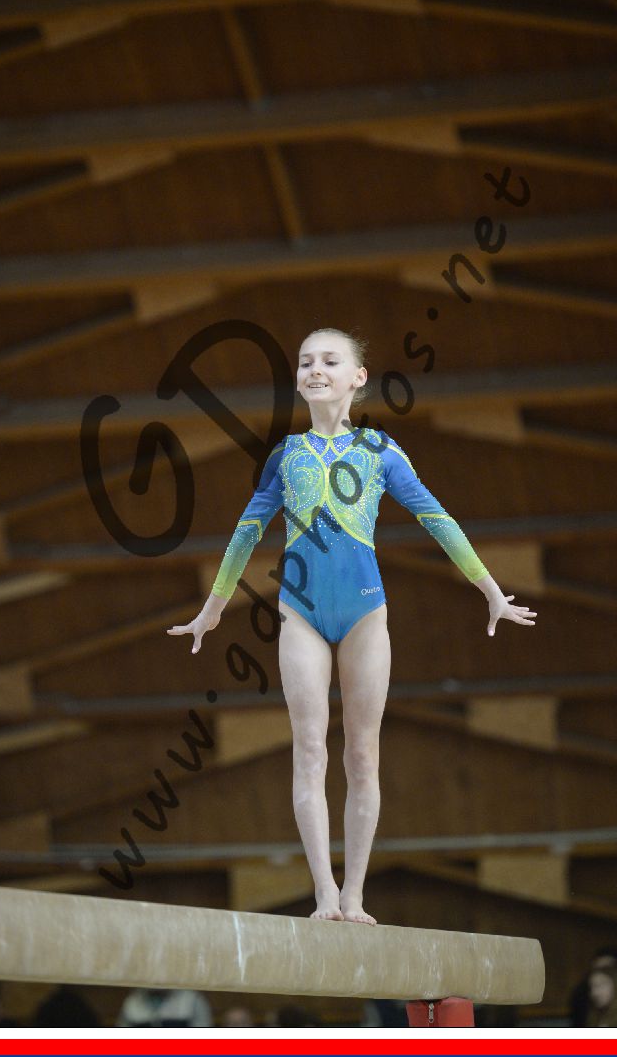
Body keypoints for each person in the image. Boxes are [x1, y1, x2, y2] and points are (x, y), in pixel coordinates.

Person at [168, 328, 536, 924]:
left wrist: (490, 590)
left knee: (362, 754)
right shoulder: (286, 456)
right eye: (306, 362)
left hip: (365, 614)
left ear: (357, 377)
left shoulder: (380, 451)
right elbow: (245, 531)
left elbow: (437, 518)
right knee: (310, 749)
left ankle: (355, 894)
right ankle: (324, 893)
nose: (315, 369)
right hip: (301, 614)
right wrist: (213, 608)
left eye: (329, 361)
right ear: (297, 381)